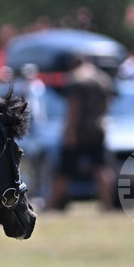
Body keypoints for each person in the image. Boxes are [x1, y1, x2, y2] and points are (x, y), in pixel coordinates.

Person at [46, 54, 116, 212]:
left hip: (79, 131)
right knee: (102, 168)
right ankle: (108, 205)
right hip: (98, 128)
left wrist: (69, 131)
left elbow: (74, 108)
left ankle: (51, 205)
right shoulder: (103, 78)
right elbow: (106, 106)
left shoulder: (75, 78)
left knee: (64, 171)